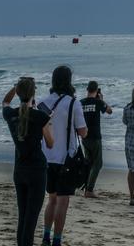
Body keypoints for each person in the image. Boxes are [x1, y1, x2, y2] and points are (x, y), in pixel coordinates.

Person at [37, 65, 87, 246]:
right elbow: (82, 132)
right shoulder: (73, 103)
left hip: (46, 156)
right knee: (63, 202)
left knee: (51, 199)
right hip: (66, 158)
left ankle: (46, 236)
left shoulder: (43, 102)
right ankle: (57, 240)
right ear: (69, 81)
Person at [3, 77, 55, 246]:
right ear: (34, 93)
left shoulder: (10, 114)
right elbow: (50, 143)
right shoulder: (41, 116)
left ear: (18, 93)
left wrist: (14, 87)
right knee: (31, 219)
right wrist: (48, 123)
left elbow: (5, 101)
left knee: (23, 216)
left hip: (20, 169)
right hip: (37, 170)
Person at [80, 81, 112, 197]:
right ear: (97, 90)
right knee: (97, 163)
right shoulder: (98, 102)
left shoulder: (81, 102)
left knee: (88, 162)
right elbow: (109, 111)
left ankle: (84, 186)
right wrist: (102, 100)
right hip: (95, 136)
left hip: (84, 136)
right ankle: (89, 189)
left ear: (87, 89)